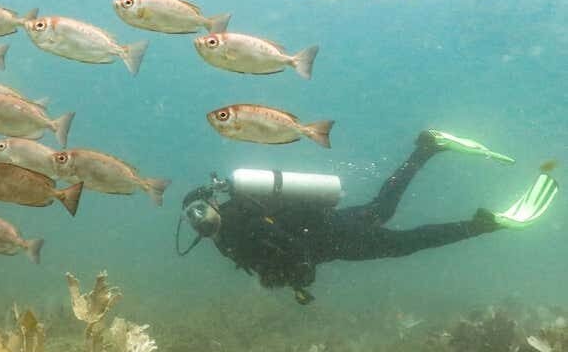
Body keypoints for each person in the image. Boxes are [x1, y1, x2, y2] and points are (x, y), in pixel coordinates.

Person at [178, 130, 558, 304]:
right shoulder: (230, 227)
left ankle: (483, 223)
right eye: (195, 217)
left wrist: (294, 278)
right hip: (333, 227)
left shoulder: (239, 225)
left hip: (338, 239)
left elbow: (294, 253)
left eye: (198, 212)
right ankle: (426, 149)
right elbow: (282, 250)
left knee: (406, 243)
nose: (199, 220)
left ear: (209, 204)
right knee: (384, 208)